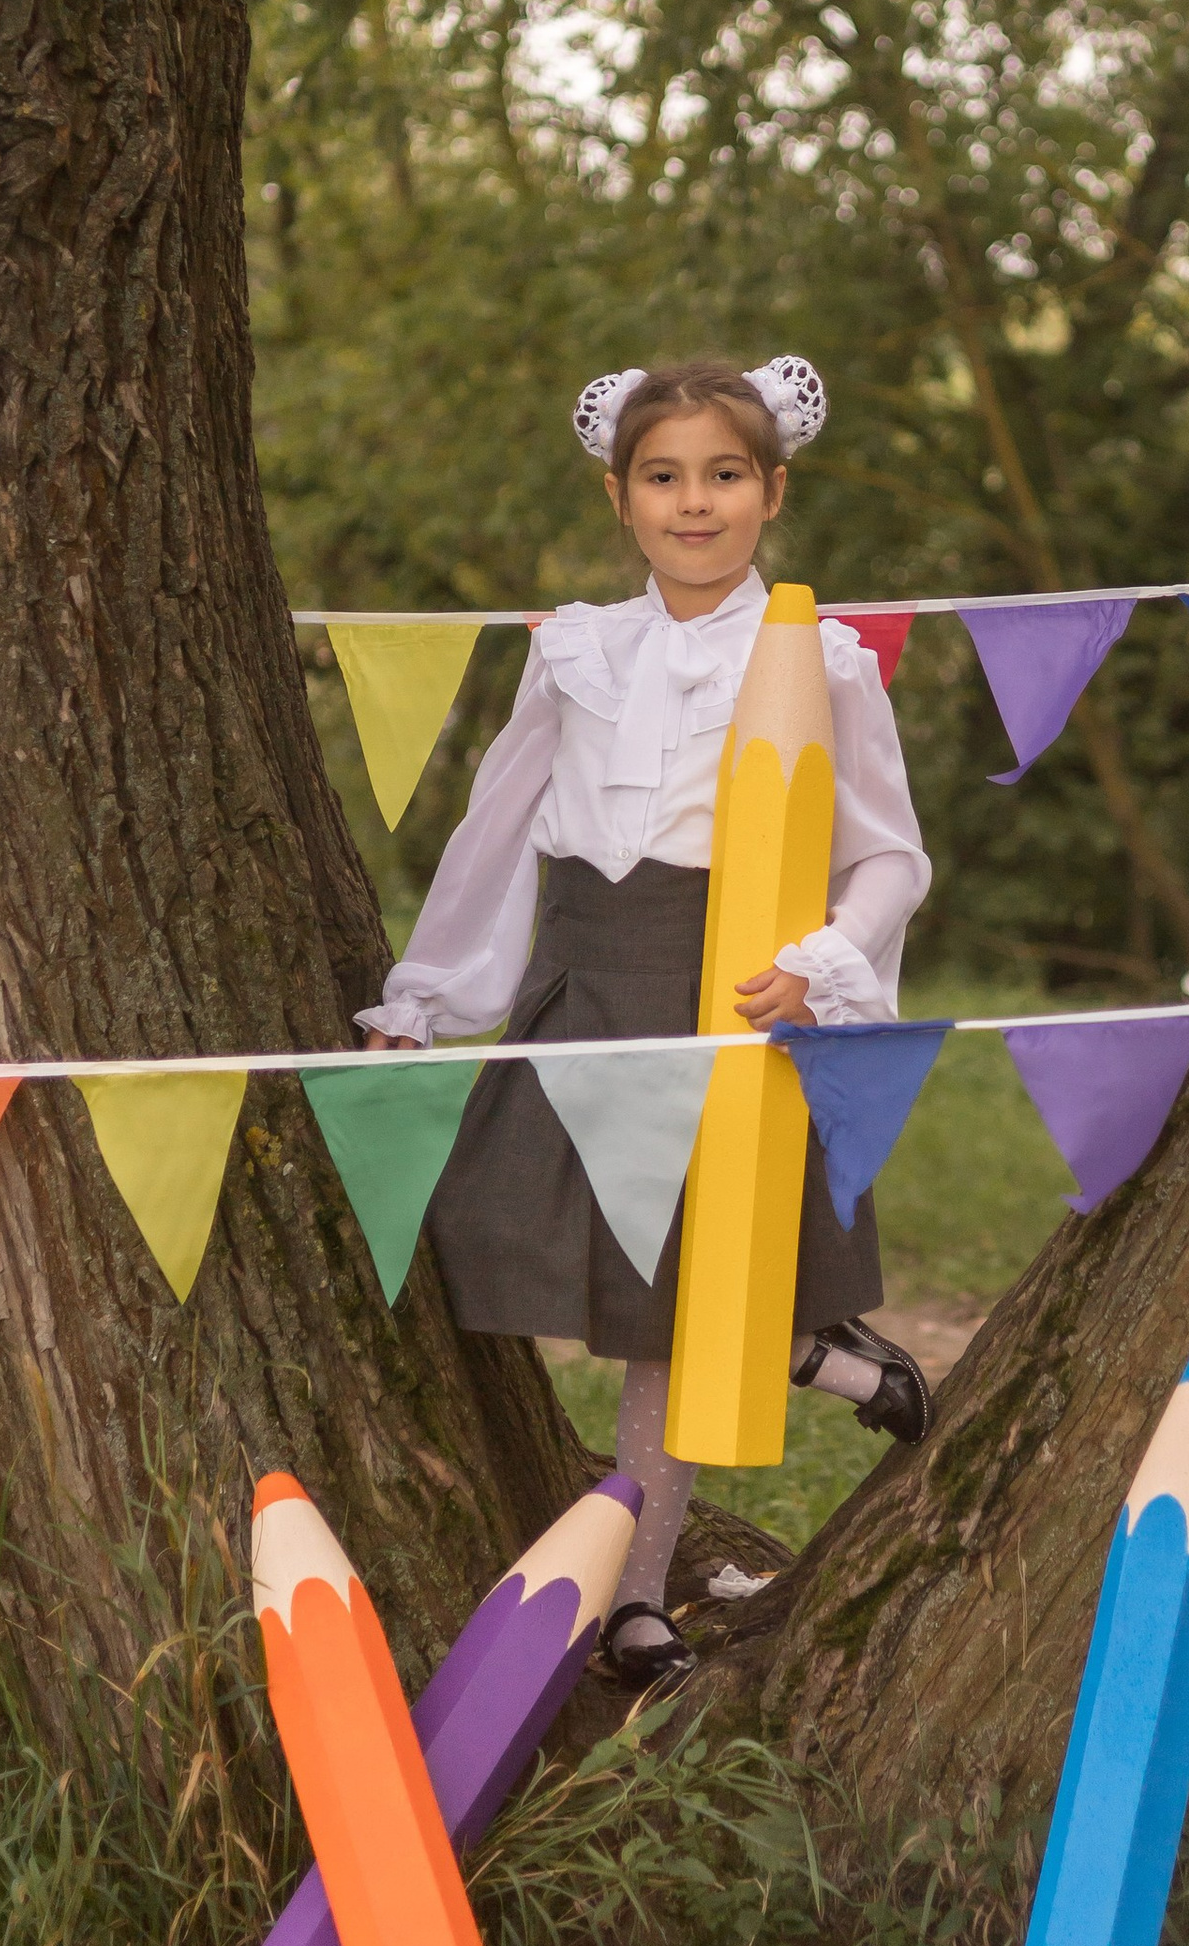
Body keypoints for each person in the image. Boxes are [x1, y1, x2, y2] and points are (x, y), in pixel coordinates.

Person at [361, 354, 934, 1689]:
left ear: (771, 490)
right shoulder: (574, 652)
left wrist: (824, 960)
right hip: (582, 984)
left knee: (664, 1313)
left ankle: (636, 1604)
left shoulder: (823, 663)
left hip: (724, 993)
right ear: (620, 497)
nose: (695, 503)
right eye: (665, 478)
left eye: (723, 476)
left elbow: (893, 858)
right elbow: (499, 838)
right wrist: (428, 996)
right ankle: (812, 1347)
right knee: (486, 1233)